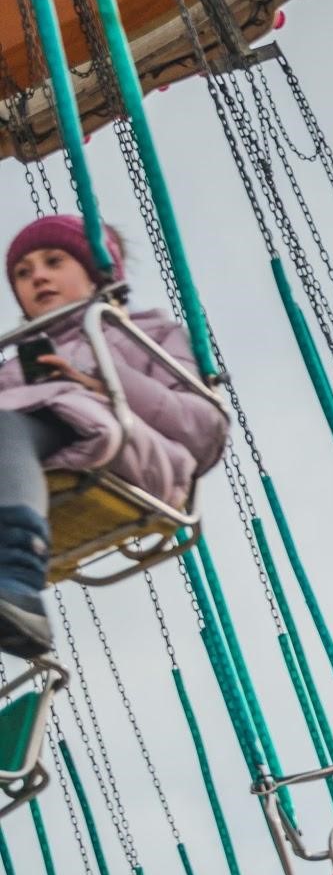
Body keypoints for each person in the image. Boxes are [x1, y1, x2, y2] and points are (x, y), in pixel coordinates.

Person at [0, 215, 228, 656]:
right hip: (30, 454)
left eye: (54, 261)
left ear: (96, 273)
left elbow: (205, 430)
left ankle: (18, 578)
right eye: (23, 273)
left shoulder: (143, 335)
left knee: (8, 426)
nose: (39, 277)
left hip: (131, 448)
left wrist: (103, 381)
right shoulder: (14, 366)